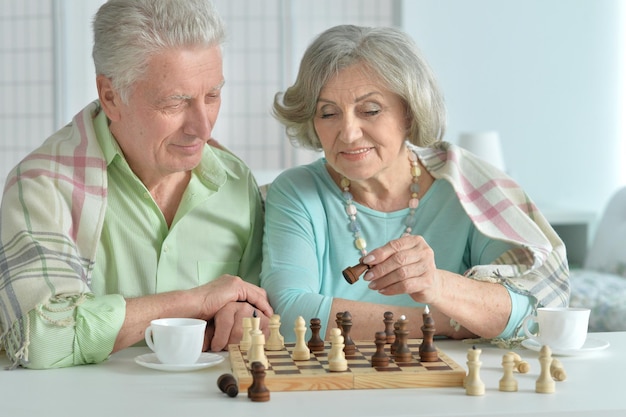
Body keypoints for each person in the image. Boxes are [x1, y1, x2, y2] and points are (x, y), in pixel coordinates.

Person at [0, 0, 272, 369]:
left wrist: (243, 316)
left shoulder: (236, 184)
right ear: (111, 97)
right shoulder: (41, 186)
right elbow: (42, 339)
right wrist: (196, 300)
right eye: (175, 103)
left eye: (212, 96)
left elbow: (254, 306)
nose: (203, 128)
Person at [261, 25, 569, 343]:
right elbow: (289, 313)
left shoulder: (464, 190)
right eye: (328, 113)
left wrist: (437, 285)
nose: (349, 133)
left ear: (408, 113)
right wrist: (446, 321)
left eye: (370, 110)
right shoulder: (296, 191)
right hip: (331, 384)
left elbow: (525, 312)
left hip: (447, 387)